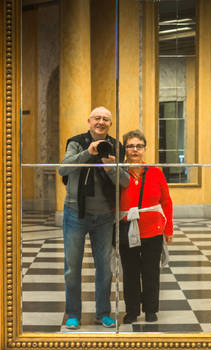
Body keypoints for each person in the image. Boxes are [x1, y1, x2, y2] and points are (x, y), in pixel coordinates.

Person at [58, 106, 129, 329]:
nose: (101, 122)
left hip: (105, 216)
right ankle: (72, 314)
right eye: (97, 118)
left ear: (110, 123)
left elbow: (124, 182)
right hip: (74, 213)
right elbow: (63, 169)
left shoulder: (116, 146)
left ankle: (103, 313)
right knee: (72, 267)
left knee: (105, 268)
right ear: (89, 121)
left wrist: (111, 168)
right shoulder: (77, 142)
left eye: (106, 119)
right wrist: (89, 152)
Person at [119, 129, 173, 324]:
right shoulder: (120, 172)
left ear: (144, 149)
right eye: (130, 146)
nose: (135, 150)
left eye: (139, 146)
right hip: (127, 230)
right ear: (125, 149)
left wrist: (168, 229)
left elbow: (166, 202)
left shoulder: (155, 172)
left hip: (153, 230)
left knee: (151, 271)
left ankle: (151, 309)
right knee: (130, 271)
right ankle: (132, 311)